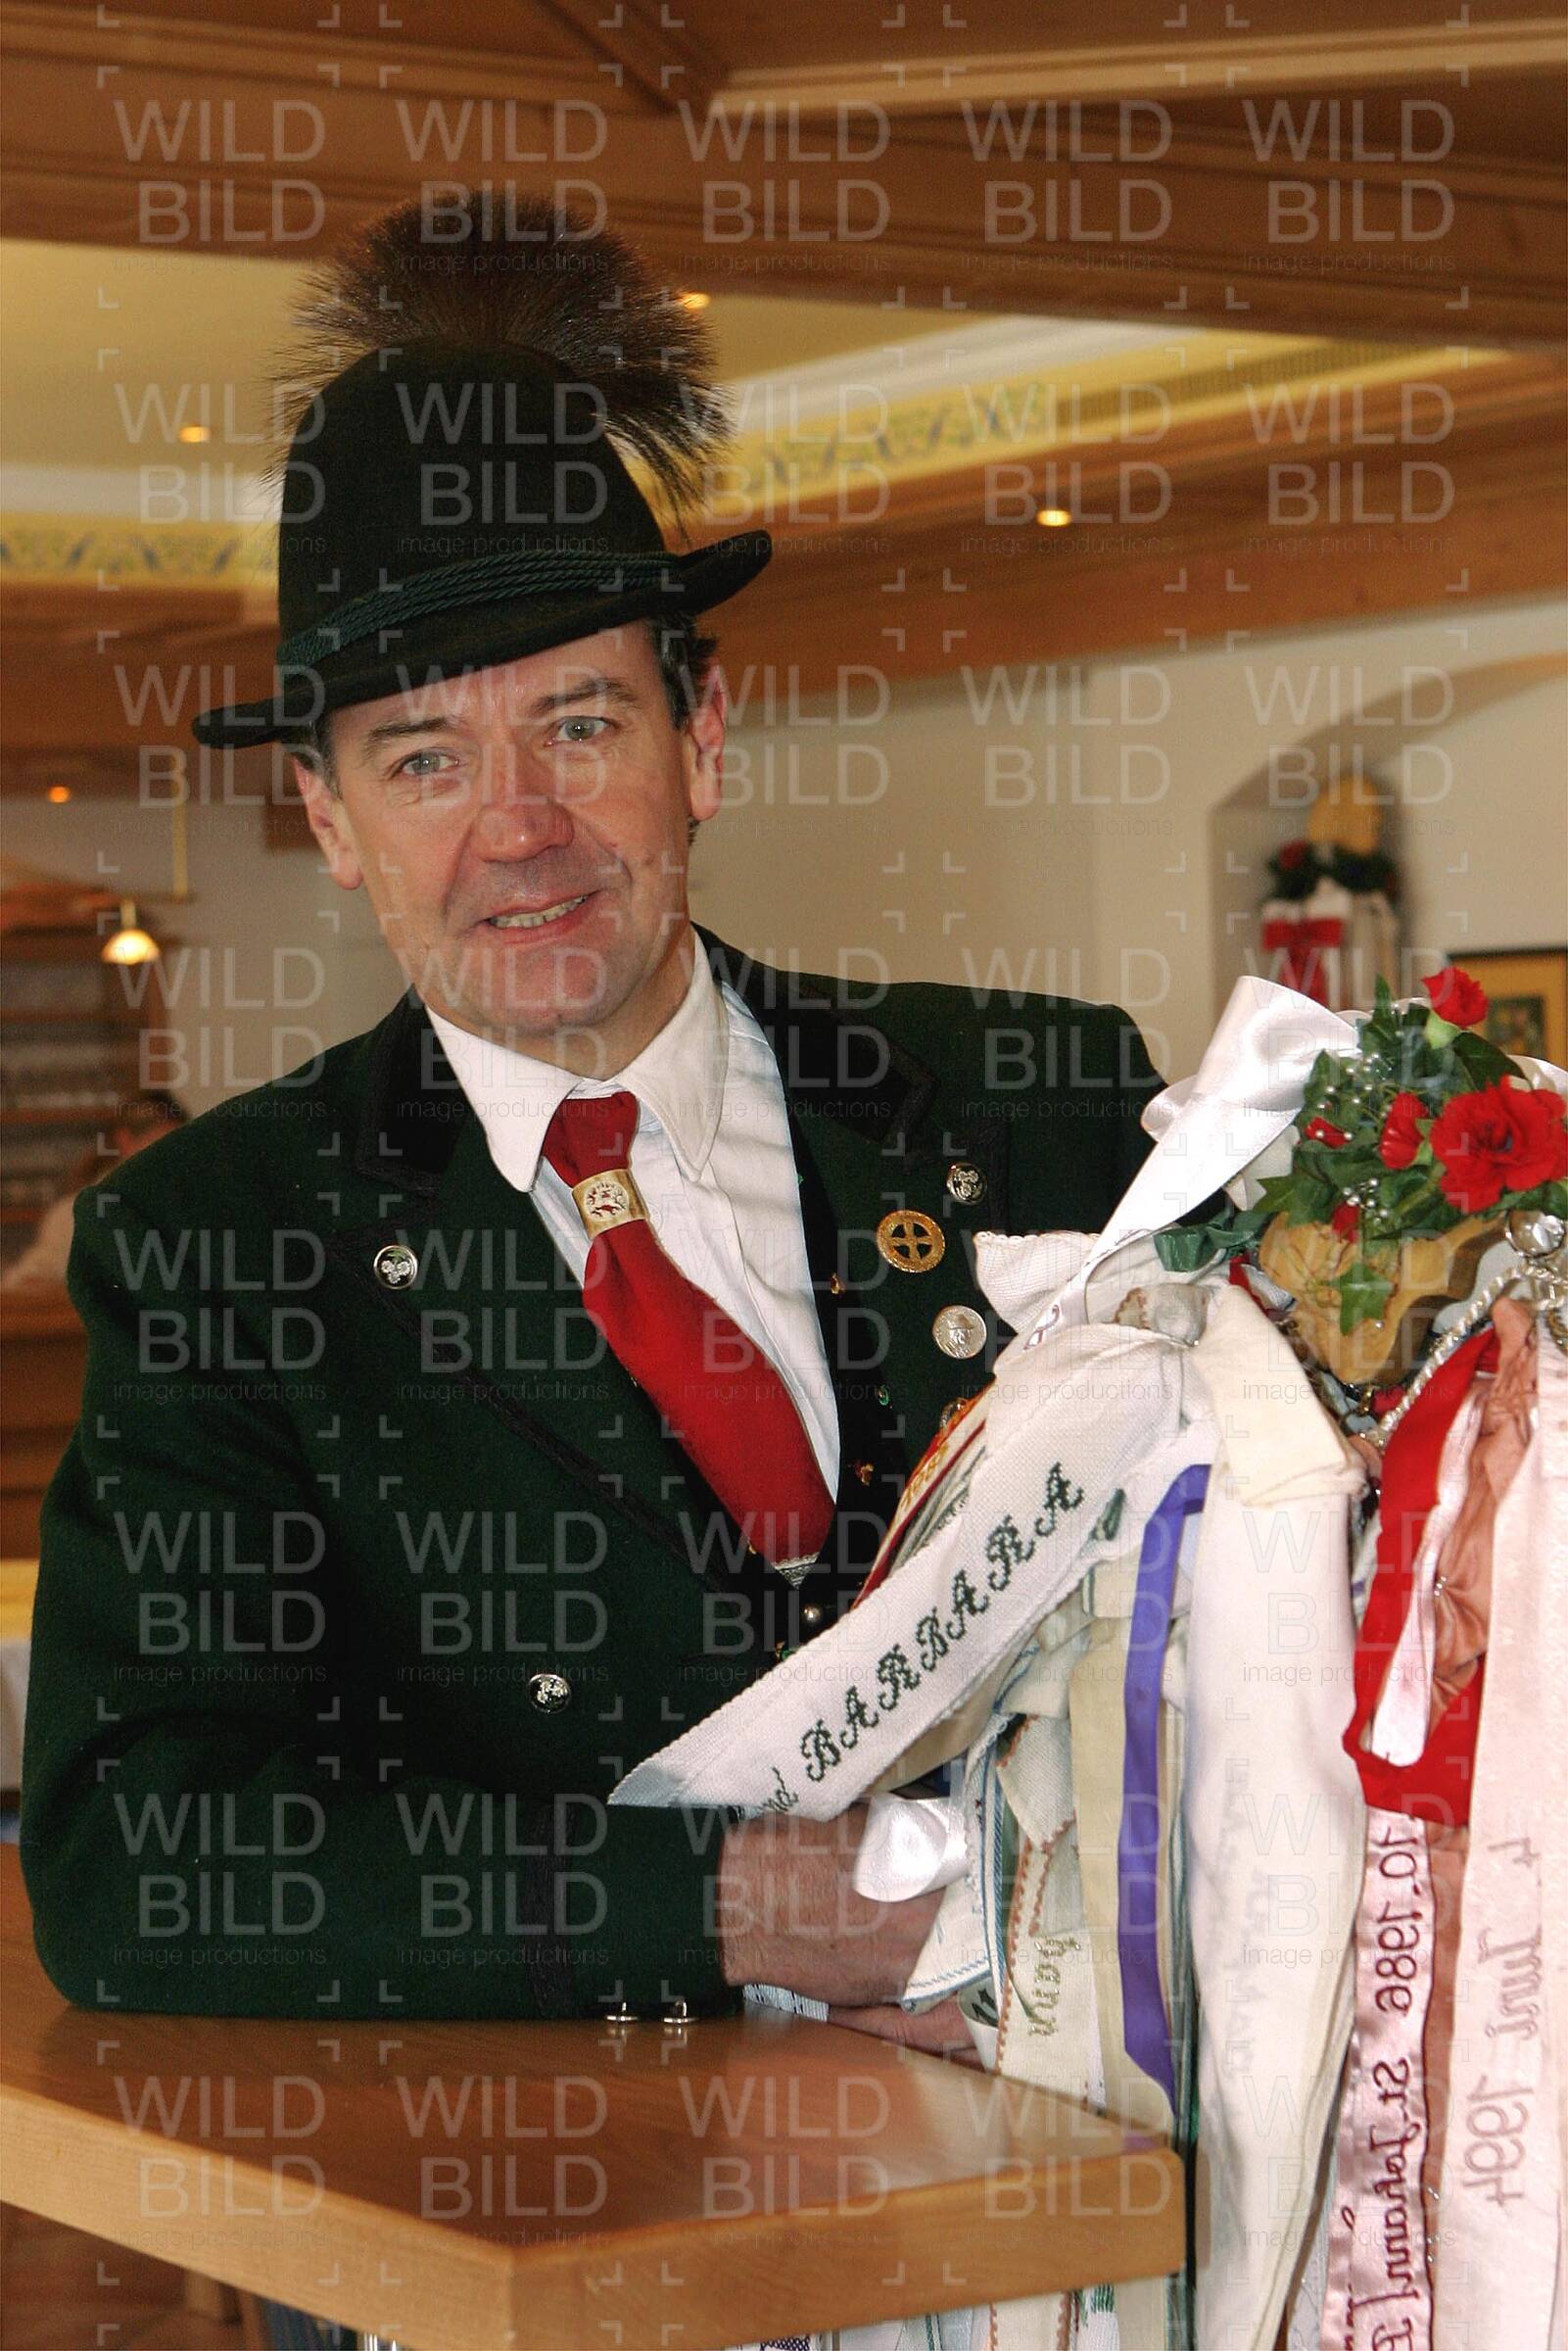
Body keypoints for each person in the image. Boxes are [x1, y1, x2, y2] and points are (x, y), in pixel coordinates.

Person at [20, 197, 1161, 2064]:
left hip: (1103, 2151)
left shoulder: (1042, 1103)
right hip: (579, 2187)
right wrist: (739, 1903)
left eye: (577, 725)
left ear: (699, 736)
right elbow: (142, 1857)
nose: (517, 828)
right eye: (424, 760)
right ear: (328, 820)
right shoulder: (223, 1245)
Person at [0, 1089, 187, 1291]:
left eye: (178, 1149)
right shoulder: (76, 1212)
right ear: (125, 1140)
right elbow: (23, 1286)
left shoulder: (181, 1205)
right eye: (161, 1145)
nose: (170, 1159)